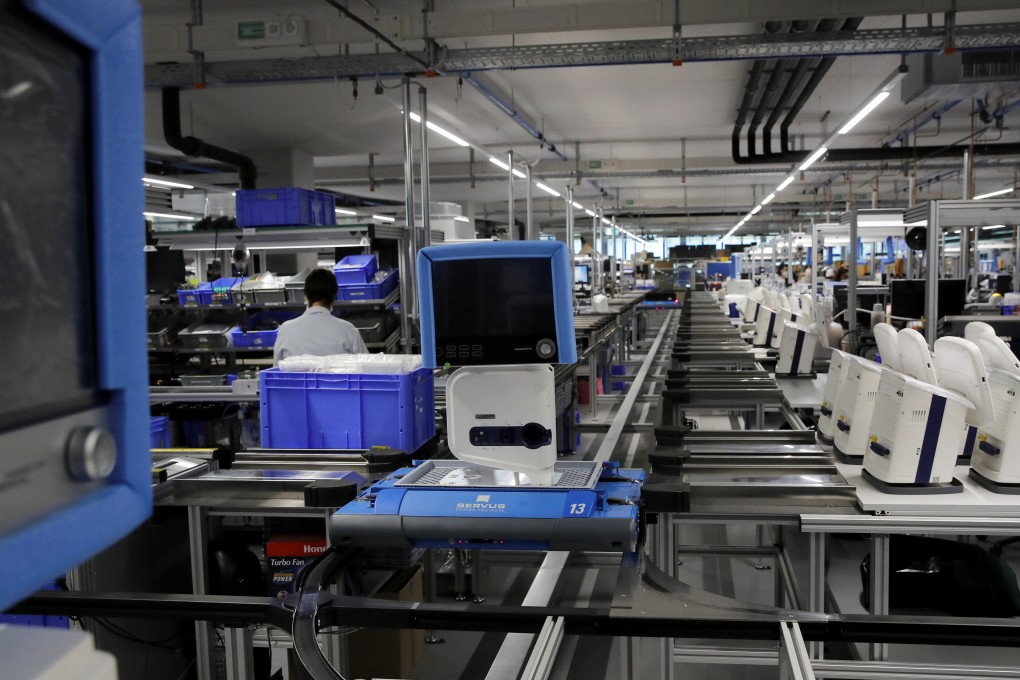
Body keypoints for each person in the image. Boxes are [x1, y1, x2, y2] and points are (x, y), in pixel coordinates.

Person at [273, 268, 368, 364]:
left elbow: (275, 373)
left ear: (306, 295)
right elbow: (366, 369)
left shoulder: (285, 330)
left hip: (295, 379)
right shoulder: (348, 330)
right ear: (334, 296)